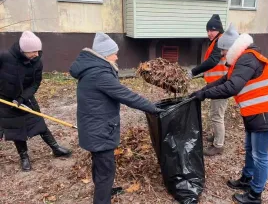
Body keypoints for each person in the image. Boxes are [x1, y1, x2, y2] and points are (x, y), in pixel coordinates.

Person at [191, 24, 268, 204]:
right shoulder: (241, 60)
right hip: (255, 114)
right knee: (250, 149)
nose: (223, 56)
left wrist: (204, 95)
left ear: (232, 48)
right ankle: (246, 179)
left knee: (260, 155)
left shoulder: (248, 59)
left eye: (224, 52)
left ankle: (255, 194)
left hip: (265, 114)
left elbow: (232, 87)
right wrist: (202, 91)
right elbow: (224, 80)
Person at [69, 32, 164, 204]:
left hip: (94, 127)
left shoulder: (95, 68)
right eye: (114, 52)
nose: (117, 56)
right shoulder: (99, 74)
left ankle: (104, 190)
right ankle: (102, 199)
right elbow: (126, 95)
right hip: (99, 130)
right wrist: (152, 108)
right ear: (105, 55)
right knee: (106, 169)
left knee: (101, 165)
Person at [0, 31, 72, 171]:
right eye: (33, 51)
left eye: (38, 51)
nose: (37, 54)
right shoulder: (5, 57)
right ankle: (24, 157)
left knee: (39, 121)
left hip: (25, 97)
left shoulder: (37, 62)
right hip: (6, 100)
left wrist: (22, 98)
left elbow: (35, 83)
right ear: (23, 50)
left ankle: (55, 147)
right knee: (17, 129)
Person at [188, 14, 229, 156]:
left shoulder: (221, 41)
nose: (209, 33)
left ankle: (218, 145)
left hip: (221, 85)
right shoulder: (217, 41)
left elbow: (212, 61)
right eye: (208, 30)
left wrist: (194, 71)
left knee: (217, 115)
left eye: (212, 30)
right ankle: (217, 136)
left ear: (219, 30)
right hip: (215, 83)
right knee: (216, 113)